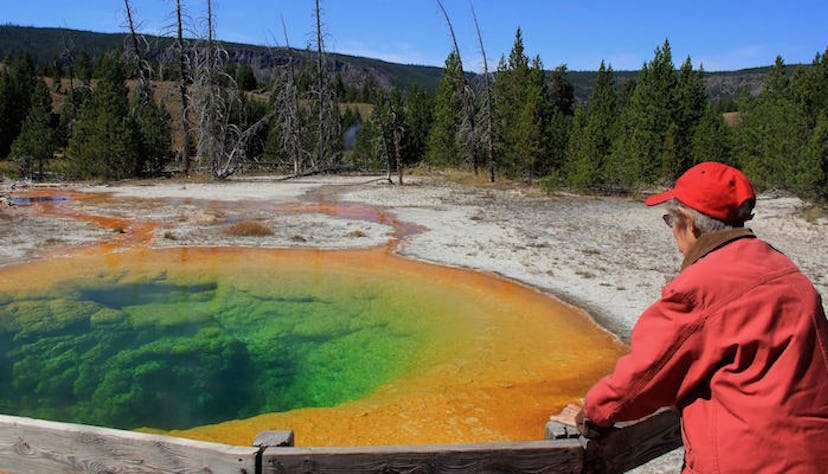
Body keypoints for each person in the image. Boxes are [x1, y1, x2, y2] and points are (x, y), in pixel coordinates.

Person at [551, 162, 828, 473]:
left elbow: (643, 377)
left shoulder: (702, 287)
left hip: (748, 462)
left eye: (670, 220)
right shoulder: (786, 271)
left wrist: (590, 415)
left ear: (689, 224)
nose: (672, 231)